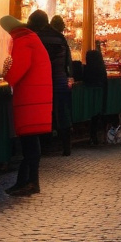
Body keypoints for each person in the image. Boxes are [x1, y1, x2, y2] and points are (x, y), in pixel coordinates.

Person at [0, 15, 53, 197]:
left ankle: (27, 182)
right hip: (36, 98)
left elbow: (17, 71)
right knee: (31, 143)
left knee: (29, 144)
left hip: (29, 99)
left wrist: (5, 77)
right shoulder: (31, 38)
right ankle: (30, 182)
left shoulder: (23, 41)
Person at [28, 10, 73, 156]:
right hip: (60, 80)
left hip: (43, 82)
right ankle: (66, 147)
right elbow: (68, 61)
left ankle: (44, 146)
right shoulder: (60, 37)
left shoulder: (36, 38)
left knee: (44, 114)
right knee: (62, 113)